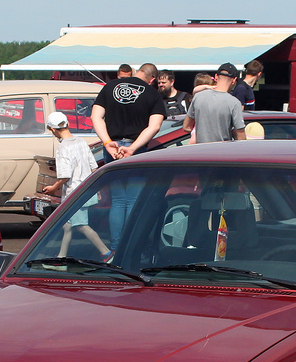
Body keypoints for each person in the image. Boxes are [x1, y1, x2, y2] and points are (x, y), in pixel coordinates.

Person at [90, 62, 166, 238]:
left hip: (112, 148)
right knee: (133, 200)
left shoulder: (109, 87)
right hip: (136, 149)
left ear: (137, 72)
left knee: (118, 200)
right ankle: (130, 245)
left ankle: (116, 246)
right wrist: (132, 148)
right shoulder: (152, 94)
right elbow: (154, 127)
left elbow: (96, 116)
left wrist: (107, 141)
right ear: (152, 79)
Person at [40, 111, 112, 261]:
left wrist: (53, 188)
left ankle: (106, 253)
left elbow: (65, 175)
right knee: (67, 224)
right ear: (67, 124)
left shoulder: (62, 148)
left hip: (75, 193)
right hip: (87, 189)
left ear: (53, 129)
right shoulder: (81, 142)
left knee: (81, 225)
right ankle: (62, 257)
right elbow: (93, 167)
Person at [184, 62, 246, 143]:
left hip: (200, 151)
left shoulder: (198, 97)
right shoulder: (234, 103)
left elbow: (186, 127)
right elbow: (240, 137)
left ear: (216, 76)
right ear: (234, 80)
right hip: (221, 152)